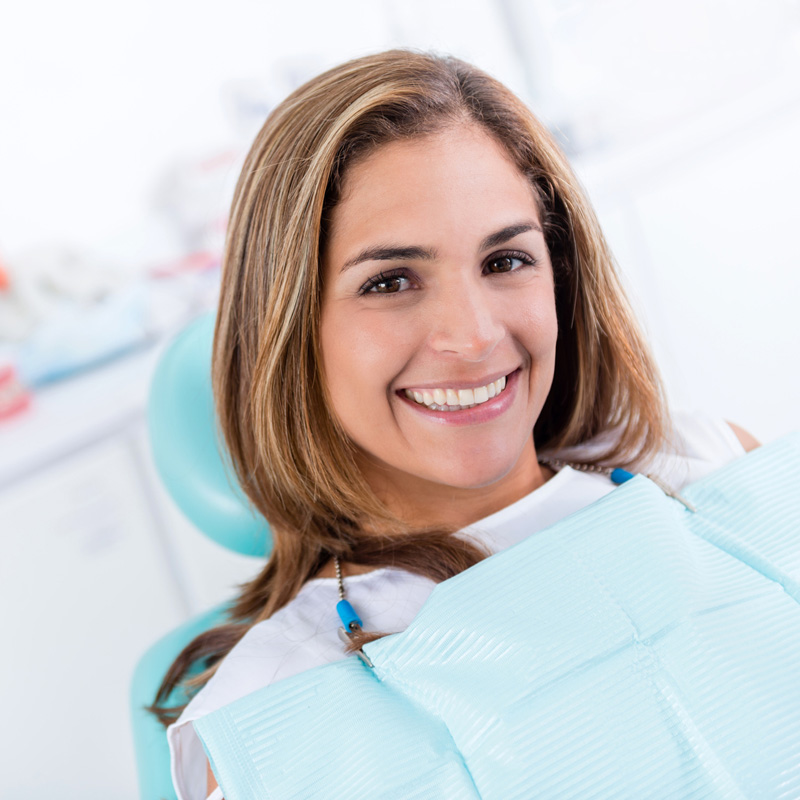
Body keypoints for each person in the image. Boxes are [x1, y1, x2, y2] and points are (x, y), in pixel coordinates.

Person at [149, 49, 758, 800]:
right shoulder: (279, 716)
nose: (472, 337)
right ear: (289, 331)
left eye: (505, 260)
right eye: (391, 281)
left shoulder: (712, 468)